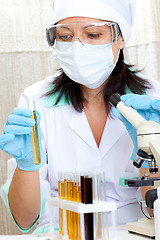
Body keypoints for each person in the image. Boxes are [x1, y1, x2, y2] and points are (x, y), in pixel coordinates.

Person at [0, 0, 160, 234]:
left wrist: (151, 154)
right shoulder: (36, 101)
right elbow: (25, 220)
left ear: (121, 38)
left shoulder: (153, 100)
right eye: (65, 36)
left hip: (136, 233)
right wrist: (27, 167)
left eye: (93, 34)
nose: (77, 46)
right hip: (61, 234)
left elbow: (156, 212)